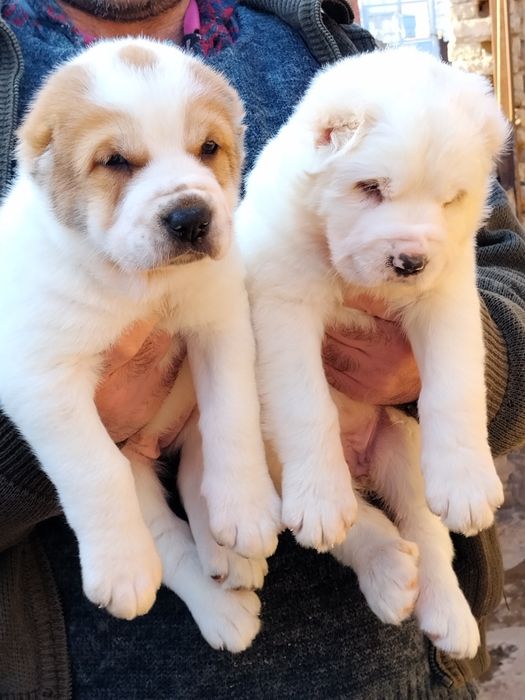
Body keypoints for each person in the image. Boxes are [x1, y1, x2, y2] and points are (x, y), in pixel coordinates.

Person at [0, 1, 523, 698]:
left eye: (209, 150)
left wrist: (451, 376)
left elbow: (504, 273)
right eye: (117, 161)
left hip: (401, 674)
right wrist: (36, 456)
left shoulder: (337, 48)